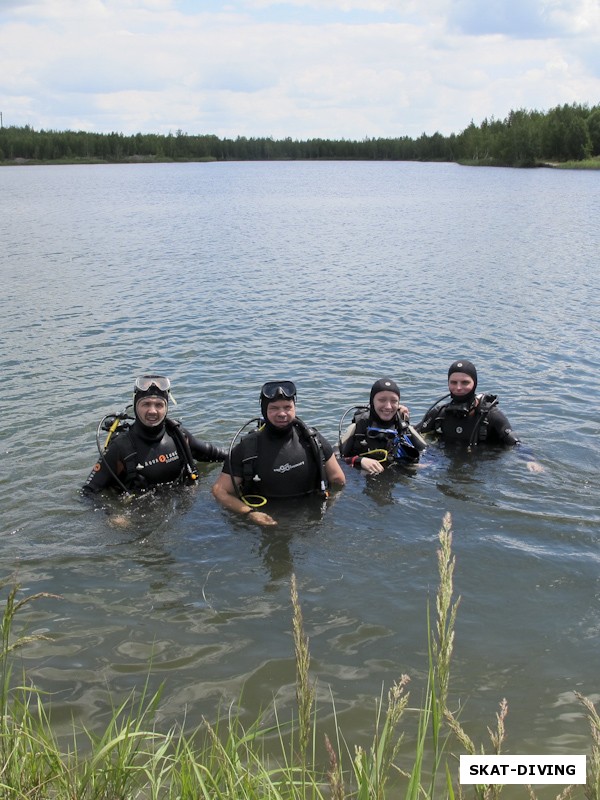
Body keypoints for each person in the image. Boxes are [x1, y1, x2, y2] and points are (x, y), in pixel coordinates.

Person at [211, 380, 345, 526]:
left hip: (309, 520)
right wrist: (250, 512)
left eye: (287, 407)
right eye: (274, 408)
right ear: (264, 410)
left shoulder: (313, 440)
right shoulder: (247, 447)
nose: (282, 413)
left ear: (295, 408)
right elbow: (220, 491)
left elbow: (338, 479)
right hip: (264, 519)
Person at [82, 375, 226, 494]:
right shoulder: (120, 447)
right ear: (136, 406)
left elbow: (216, 455)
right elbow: (88, 492)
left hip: (179, 509)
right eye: (146, 404)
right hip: (138, 516)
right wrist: (113, 515)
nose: (152, 411)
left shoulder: (178, 435)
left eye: (159, 405)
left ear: (166, 407)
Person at [415, 359, 543, 471]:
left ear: (474, 383)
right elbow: (413, 433)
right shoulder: (439, 414)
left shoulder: (491, 416)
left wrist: (530, 460)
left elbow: (516, 444)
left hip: (481, 467)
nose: (458, 388)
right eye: (453, 382)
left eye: (465, 382)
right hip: (445, 465)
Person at [339, 378, 426, 475]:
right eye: (382, 400)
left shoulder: (403, 428)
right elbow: (333, 460)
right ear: (372, 401)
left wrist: (413, 466)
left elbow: (430, 456)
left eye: (394, 401)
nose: (388, 406)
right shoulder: (358, 427)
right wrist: (358, 460)